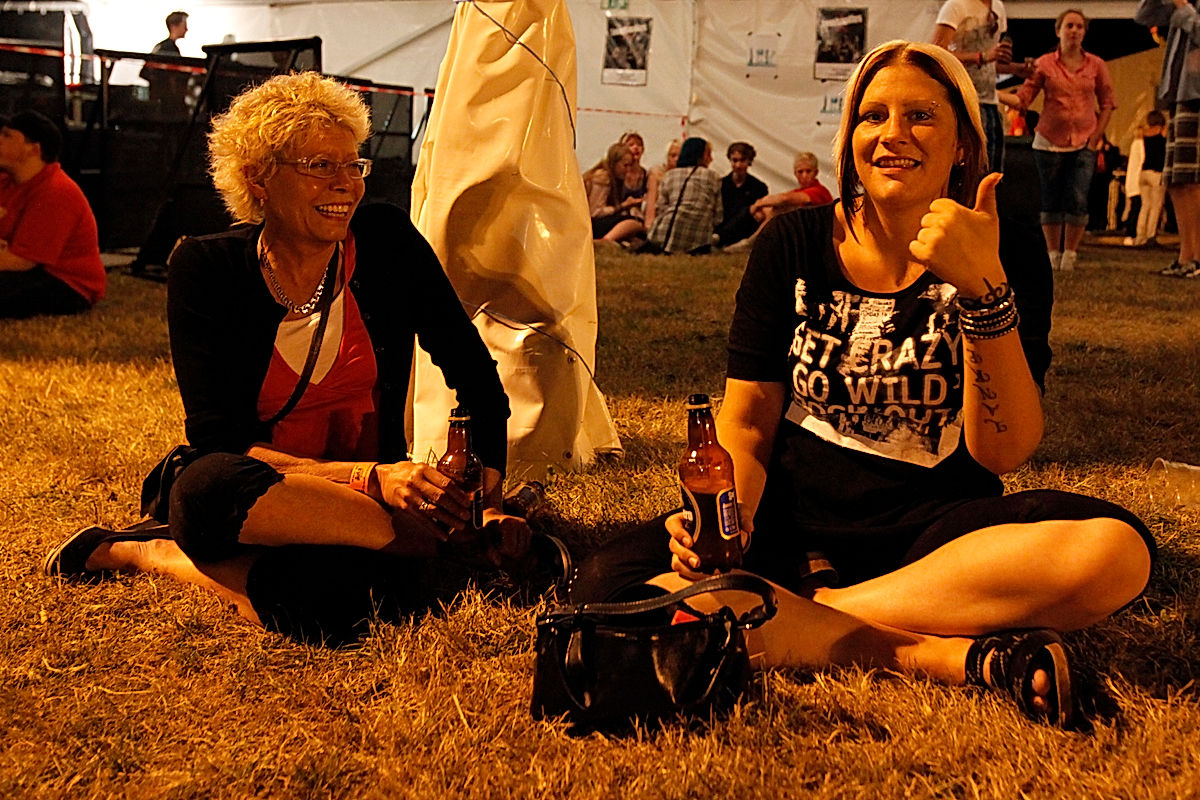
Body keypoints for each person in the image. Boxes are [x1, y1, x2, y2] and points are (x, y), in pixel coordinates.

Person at [569, 40, 1154, 729]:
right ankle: (944, 656)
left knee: (1115, 553)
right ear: (850, 137)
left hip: (937, 540)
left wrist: (983, 290)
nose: (892, 135)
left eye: (921, 117)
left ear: (964, 144)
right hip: (788, 527)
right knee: (602, 590)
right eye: (872, 116)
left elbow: (1004, 451)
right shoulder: (792, 244)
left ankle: (783, 615)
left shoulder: (1004, 244)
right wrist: (730, 521)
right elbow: (750, 424)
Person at [42, 72, 534, 646]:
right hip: (264, 493)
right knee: (206, 489)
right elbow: (217, 438)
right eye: (320, 166)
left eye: (354, 164)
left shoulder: (386, 243)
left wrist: (489, 482)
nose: (346, 184)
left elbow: (470, 366)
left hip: (355, 515)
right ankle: (148, 549)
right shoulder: (206, 269)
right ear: (258, 179)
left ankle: (162, 554)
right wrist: (372, 478)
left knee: (363, 608)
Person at [1013, 9, 1115, 272]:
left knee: (1078, 198)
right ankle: (1052, 253)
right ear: (1058, 31)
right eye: (1069, 26)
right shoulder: (1044, 64)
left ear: (1085, 32)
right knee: (1050, 198)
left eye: (1079, 26)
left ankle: (1070, 253)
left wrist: (1096, 136)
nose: (1074, 31)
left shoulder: (1096, 65)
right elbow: (1025, 97)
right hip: (1048, 140)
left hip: (1084, 140)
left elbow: (1107, 103)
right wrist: (992, 94)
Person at [0, 111, 105, 319]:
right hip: (30, 270)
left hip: (66, 282)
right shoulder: (7, 182)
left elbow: (22, 261)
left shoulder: (55, 191)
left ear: (33, 149)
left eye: (7, 136)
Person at [1135, 0, 1200, 278]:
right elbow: (1144, 15)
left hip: (1196, 94)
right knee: (1176, 179)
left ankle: (1197, 257)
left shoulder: (1187, 8)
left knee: (1193, 179)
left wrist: (1182, 8)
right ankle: (1186, 256)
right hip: (1177, 95)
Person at [932, 0, 1016, 171]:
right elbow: (937, 52)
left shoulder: (998, 7)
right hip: (963, 98)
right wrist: (982, 57)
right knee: (970, 170)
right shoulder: (956, 6)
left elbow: (990, 58)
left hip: (989, 100)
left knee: (992, 171)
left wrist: (1017, 69)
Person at [725, 151, 835, 253]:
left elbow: (784, 199)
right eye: (800, 172)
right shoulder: (799, 191)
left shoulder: (819, 191)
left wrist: (758, 204)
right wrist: (762, 209)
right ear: (795, 173)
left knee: (781, 209)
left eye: (808, 171)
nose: (804, 176)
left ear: (816, 172)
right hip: (802, 234)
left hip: (818, 235)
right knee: (772, 210)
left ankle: (751, 242)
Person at [645, 137, 723, 255]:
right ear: (700, 156)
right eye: (708, 155)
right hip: (699, 241)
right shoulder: (713, 177)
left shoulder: (670, 176)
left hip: (663, 237)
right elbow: (718, 216)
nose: (711, 159)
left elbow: (660, 208)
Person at [583, 142, 645, 245]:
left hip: (592, 222)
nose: (628, 170)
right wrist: (622, 206)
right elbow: (595, 212)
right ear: (614, 164)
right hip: (589, 223)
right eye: (625, 165)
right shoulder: (603, 177)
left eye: (630, 166)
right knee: (633, 222)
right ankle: (605, 241)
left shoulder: (614, 180)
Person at [1123, 111, 1169, 246]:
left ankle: (1140, 235)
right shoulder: (1162, 135)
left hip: (1143, 173)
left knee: (1145, 205)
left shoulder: (1143, 135)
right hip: (1157, 173)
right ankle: (1151, 235)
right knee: (1156, 206)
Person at [714, 141, 769, 247]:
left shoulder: (759, 187)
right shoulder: (720, 184)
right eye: (735, 160)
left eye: (742, 160)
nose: (738, 165)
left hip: (745, 231)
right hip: (723, 225)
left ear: (749, 161)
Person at [643, 138, 681, 229]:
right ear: (667, 157)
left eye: (679, 156)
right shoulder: (657, 173)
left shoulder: (685, 175)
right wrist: (649, 224)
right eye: (673, 155)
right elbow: (651, 199)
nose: (676, 159)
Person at [618, 131, 649, 220]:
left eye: (639, 145)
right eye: (631, 145)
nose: (636, 148)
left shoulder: (646, 175)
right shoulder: (619, 174)